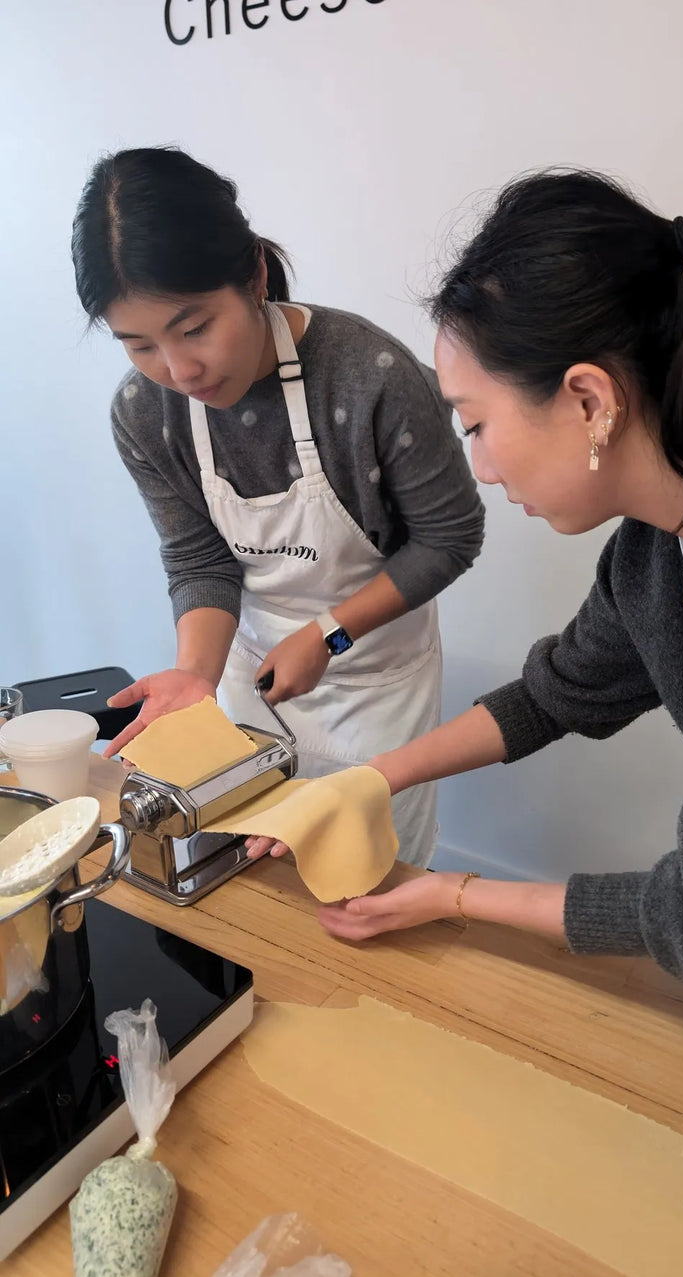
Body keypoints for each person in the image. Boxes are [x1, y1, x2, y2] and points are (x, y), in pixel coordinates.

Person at [248, 169, 683, 985]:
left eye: (476, 424)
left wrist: (453, 896)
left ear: (588, 401)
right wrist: (368, 780)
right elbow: (554, 694)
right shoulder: (652, 555)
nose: (483, 468)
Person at [71, 146, 485, 868]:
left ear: (255, 275)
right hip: (247, 673)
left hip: (374, 687)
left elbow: (450, 538)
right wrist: (196, 672)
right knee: (243, 872)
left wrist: (328, 633)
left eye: (195, 327)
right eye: (139, 345)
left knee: (362, 878)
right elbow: (199, 557)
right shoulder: (146, 412)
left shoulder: (368, 377)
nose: (179, 370)